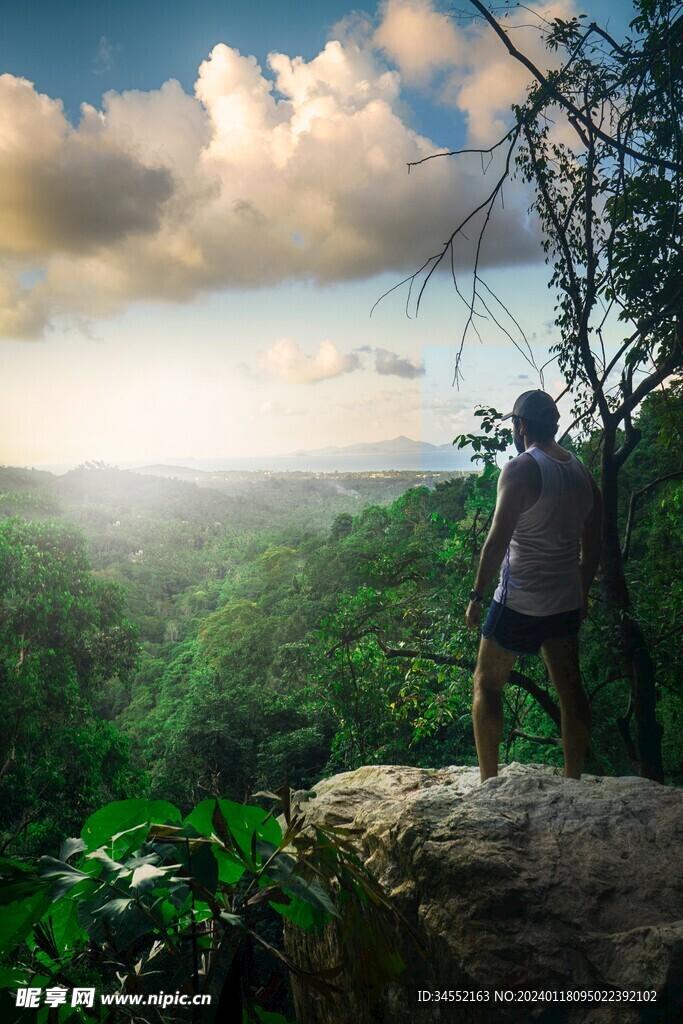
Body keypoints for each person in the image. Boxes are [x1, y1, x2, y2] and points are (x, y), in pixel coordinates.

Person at [465, 390, 602, 782]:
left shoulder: (521, 469)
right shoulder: (581, 473)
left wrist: (476, 595)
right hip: (564, 602)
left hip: (518, 601)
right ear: (553, 426)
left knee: (487, 685)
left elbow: (496, 542)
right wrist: (582, 592)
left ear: (520, 426)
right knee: (571, 690)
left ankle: (489, 781)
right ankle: (573, 778)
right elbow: (593, 545)